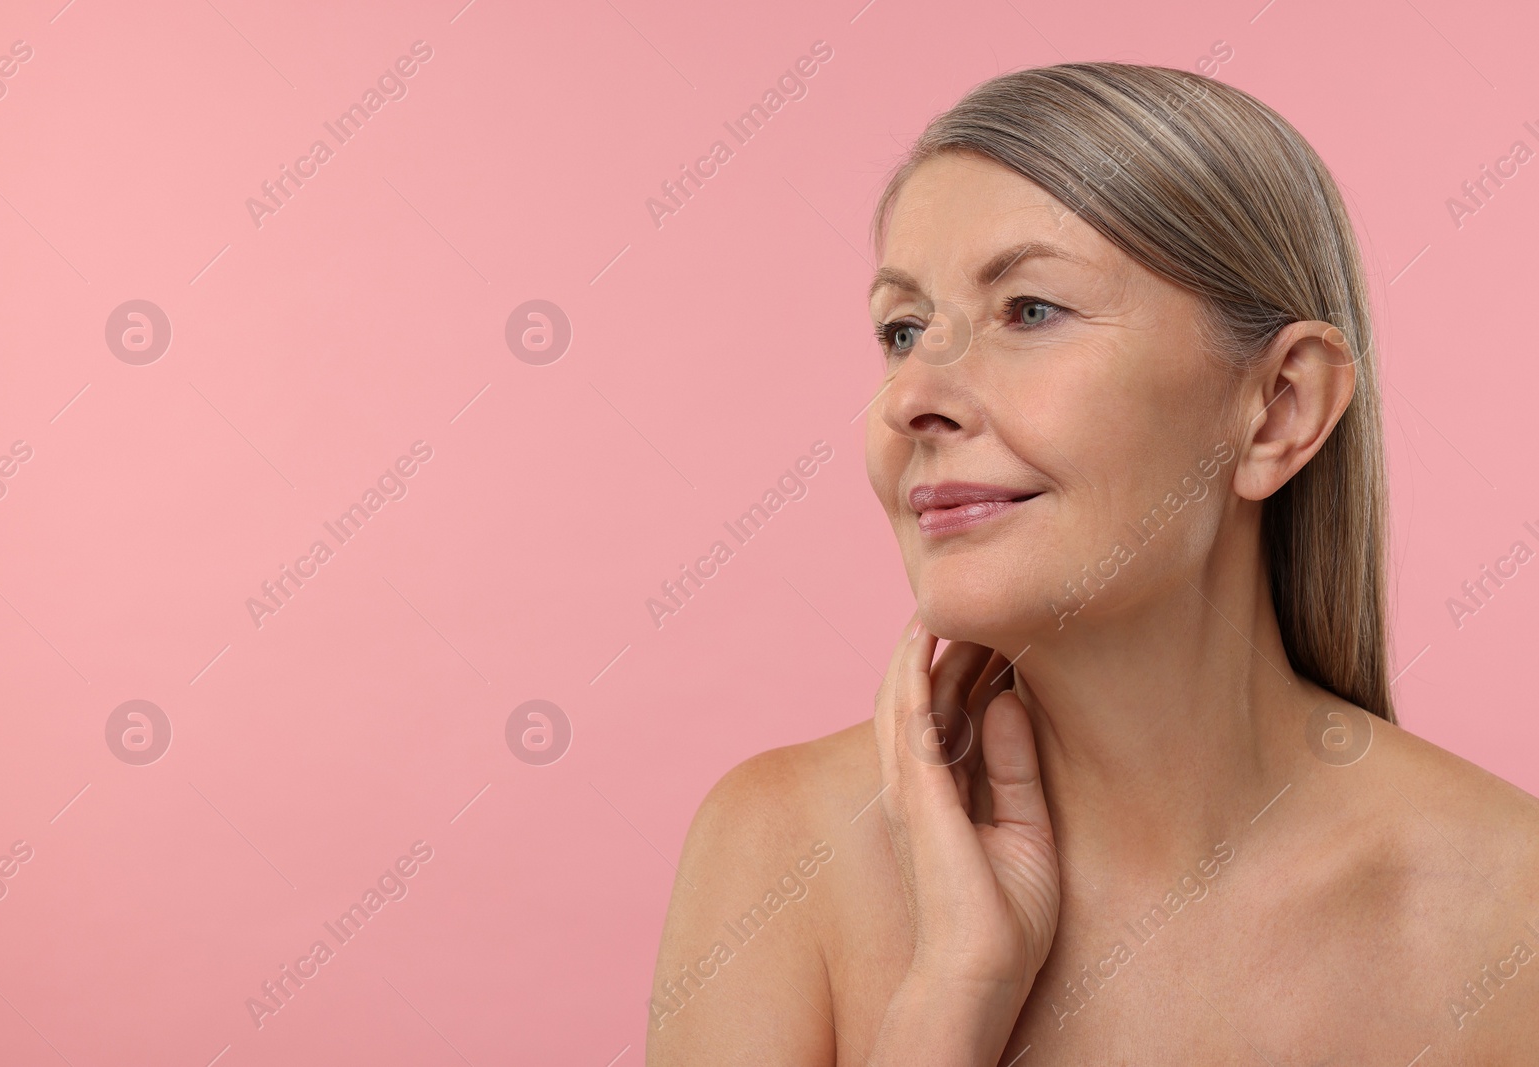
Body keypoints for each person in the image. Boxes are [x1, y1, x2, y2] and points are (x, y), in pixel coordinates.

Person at [646, 62, 1539, 1065]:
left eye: (1029, 309)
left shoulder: (1512, 911)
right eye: (902, 331)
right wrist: (952, 996)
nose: (908, 401)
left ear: (1280, 408)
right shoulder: (778, 854)